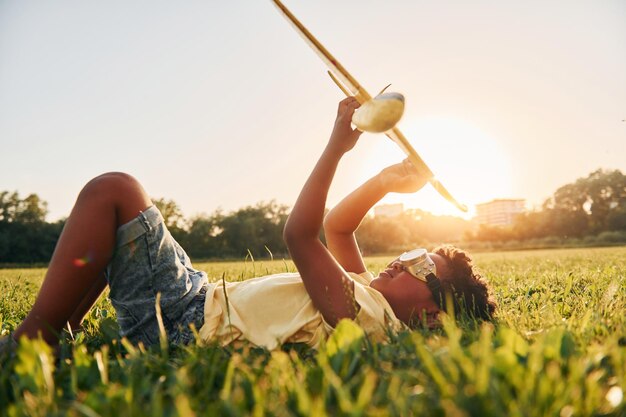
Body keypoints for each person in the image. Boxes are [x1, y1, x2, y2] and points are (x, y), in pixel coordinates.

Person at [0, 97, 494, 353]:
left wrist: (337, 148)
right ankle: (66, 325)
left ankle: (33, 338)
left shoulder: (369, 320)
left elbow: (300, 235)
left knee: (114, 191)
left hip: (184, 324)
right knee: (117, 218)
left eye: (420, 265)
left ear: (432, 317)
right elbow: (339, 229)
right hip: (200, 299)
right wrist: (385, 181)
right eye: (412, 254)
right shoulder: (366, 289)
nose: (402, 259)